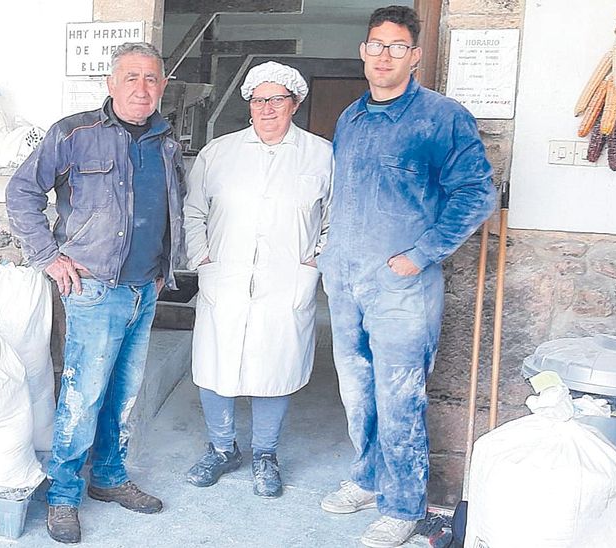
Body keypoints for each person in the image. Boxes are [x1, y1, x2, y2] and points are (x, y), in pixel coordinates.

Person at [317, 6, 497, 548]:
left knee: (400, 397)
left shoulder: (442, 117)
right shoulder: (351, 118)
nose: (385, 56)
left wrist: (421, 254)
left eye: (398, 46)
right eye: (376, 45)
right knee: (357, 393)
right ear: (363, 52)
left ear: (415, 56)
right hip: (346, 281)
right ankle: (368, 478)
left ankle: (403, 504)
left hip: (402, 285)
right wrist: (328, 253)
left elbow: (477, 193)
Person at [6, 41, 184, 545]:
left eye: (151, 79)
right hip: (93, 288)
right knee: (83, 397)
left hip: (142, 289)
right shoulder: (75, 132)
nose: (142, 88)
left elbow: (170, 207)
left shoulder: (166, 143)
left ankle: (108, 477)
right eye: (131, 77)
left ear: (163, 86)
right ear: (111, 83)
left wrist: (163, 267)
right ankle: (63, 496)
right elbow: (21, 191)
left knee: (124, 395)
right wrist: (48, 257)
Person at [182, 61, 332, 499]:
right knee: (216, 366)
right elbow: (194, 212)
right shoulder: (219, 153)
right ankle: (221, 448)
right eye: (258, 99)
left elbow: (334, 219)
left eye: (277, 99)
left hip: (287, 280)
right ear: (249, 104)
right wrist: (202, 257)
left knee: (276, 367)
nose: (267, 108)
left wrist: (314, 263)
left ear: (295, 103)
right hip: (224, 276)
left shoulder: (321, 154)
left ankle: (266, 453)